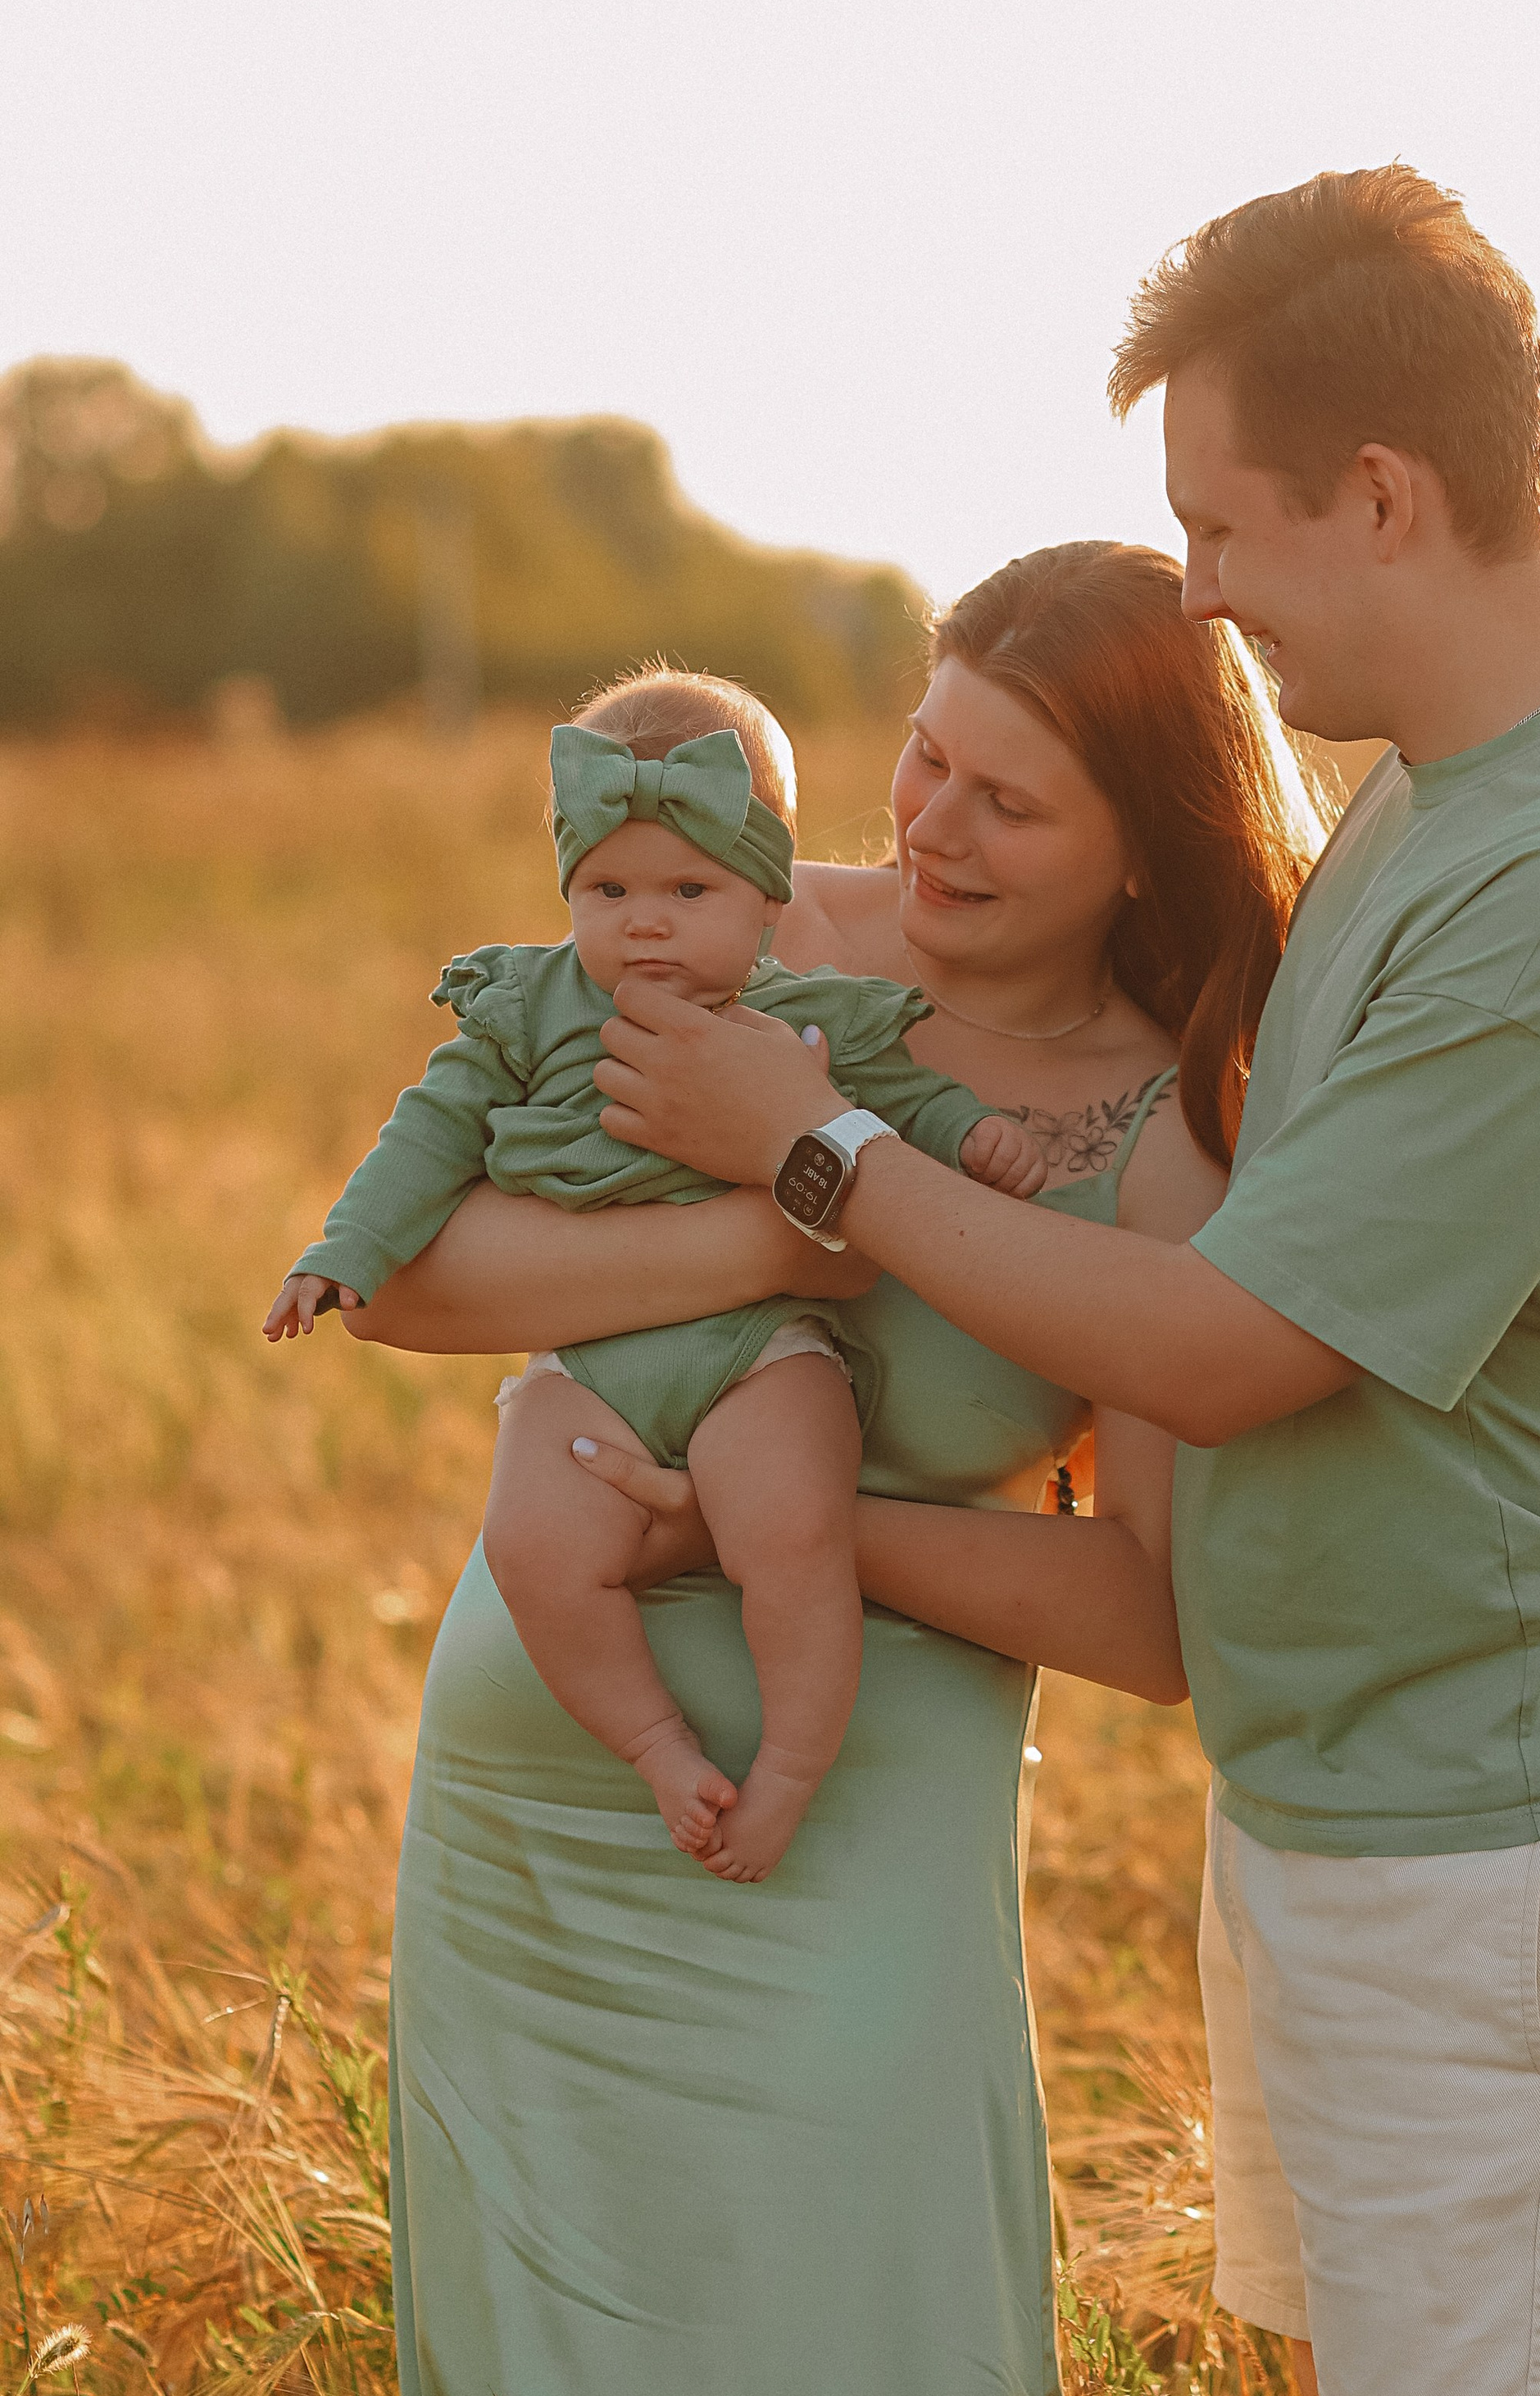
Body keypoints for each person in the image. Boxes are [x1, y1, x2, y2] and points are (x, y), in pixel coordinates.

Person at [595, 167, 1540, 2396]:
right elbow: (947, 929)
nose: (1210, 601)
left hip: (1523, 1866)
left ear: (1387, 492)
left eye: (1229, 527)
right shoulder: (1434, 809)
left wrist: (818, 1164)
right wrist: (674, 915)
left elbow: (1236, 1350)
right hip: (1364, 1829)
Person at [347, 544, 1328, 2396]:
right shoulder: (749, 926)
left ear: (1146, 848)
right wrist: (776, 1202)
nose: (936, 832)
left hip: (852, 1852)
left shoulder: (1173, 1141)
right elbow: (420, 1272)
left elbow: (1151, 1621)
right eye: (927, 759)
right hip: (541, 1822)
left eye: (1013, 804)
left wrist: (778, 1521)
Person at [266, 673, 1045, 1884]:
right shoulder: (521, 1010)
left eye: (690, 891)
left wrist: (974, 1136)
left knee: (790, 1530)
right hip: (590, 1365)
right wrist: (342, 1253)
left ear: (764, 898)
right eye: (609, 890)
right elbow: (426, 1135)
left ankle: (790, 1764)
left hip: (763, 1352)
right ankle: (658, 1747)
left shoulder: (805, 1018)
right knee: (531, 1542)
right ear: (568, 890)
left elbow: (903, 1105)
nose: (646, 923)